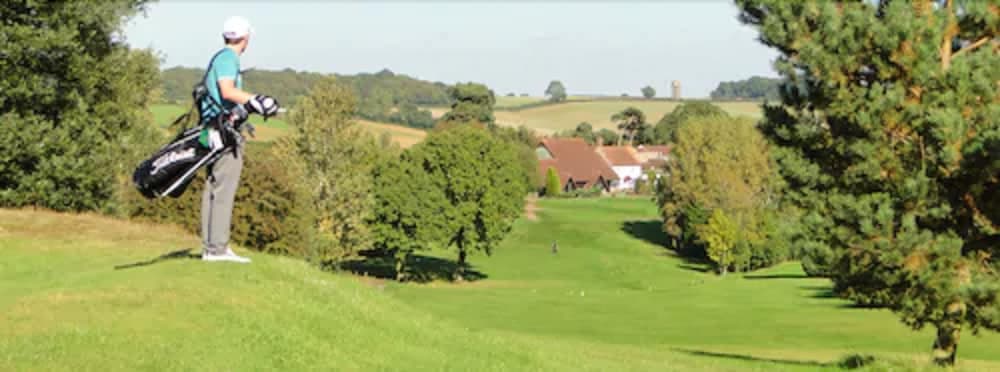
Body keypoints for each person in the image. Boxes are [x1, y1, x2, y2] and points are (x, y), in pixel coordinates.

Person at [199, 16, 278, 263]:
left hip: (214, 130)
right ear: (245, 38)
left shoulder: (222, 57)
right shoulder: (228, 58)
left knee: (213, 187)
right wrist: (256, 100)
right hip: (224, 134)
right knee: (223, 188)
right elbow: (227, 90)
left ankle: (212, 247)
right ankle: (217, 249)